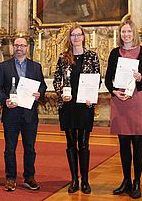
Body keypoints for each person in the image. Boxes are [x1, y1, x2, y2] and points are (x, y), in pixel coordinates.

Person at [105, 18, 142, 199]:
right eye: (123, 32)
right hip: (120, 101)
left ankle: (137, 182)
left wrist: (141, 77)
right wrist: (114, 92)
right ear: (120, 34)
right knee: (123, 143)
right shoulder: (114, 53)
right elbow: (107, 79)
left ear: (134, 34)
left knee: (137, 142)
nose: (126, 35)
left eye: (129, 32)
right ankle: (126, 180)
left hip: (137, 100)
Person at [0, 37, 47, 192]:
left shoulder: (36, 67)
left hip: (29, 114)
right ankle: (10, 178)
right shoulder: (4, 66)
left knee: (29, 147)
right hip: (11, 112)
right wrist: (5, 100)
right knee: (10, 148)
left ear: (27, 48)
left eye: (22, 45)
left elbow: (42, 85)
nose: (19, 48)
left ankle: (29, 177)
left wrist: (40, 93)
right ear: (13, 47)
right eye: (16, 45)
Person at [53, 23, 100, 194]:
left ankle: (85, 180)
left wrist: (92, 97)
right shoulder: (63, 57)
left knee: (84, 144)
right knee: (71, 143)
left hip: (84, 105)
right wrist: (60, 92)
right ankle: (74, 180)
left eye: (79, 34)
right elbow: (57, 78)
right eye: (73, 35)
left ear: (83, 37)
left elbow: (97, 79)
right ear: (69, 38)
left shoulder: (92, 56)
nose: (76, 38)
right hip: (68, 105)